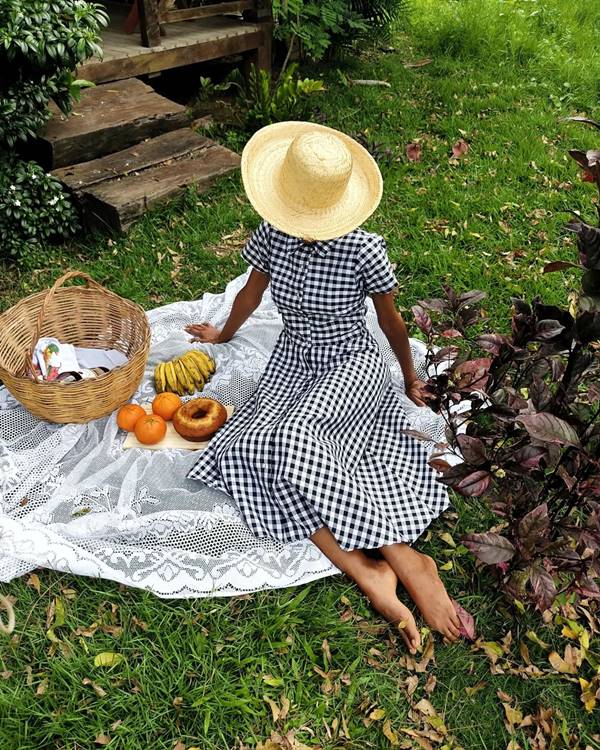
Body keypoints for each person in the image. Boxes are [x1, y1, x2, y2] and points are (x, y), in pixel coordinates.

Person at [186, 122, 461, 652]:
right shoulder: (271, 235)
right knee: (247, 447)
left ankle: (401, 556)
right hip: (292, 361)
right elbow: (250, 293)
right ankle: (366, 569)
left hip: (348, 362)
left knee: (292, 439)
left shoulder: (363, 250)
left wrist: (407, 377)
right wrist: (223, 331)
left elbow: (392, 324)